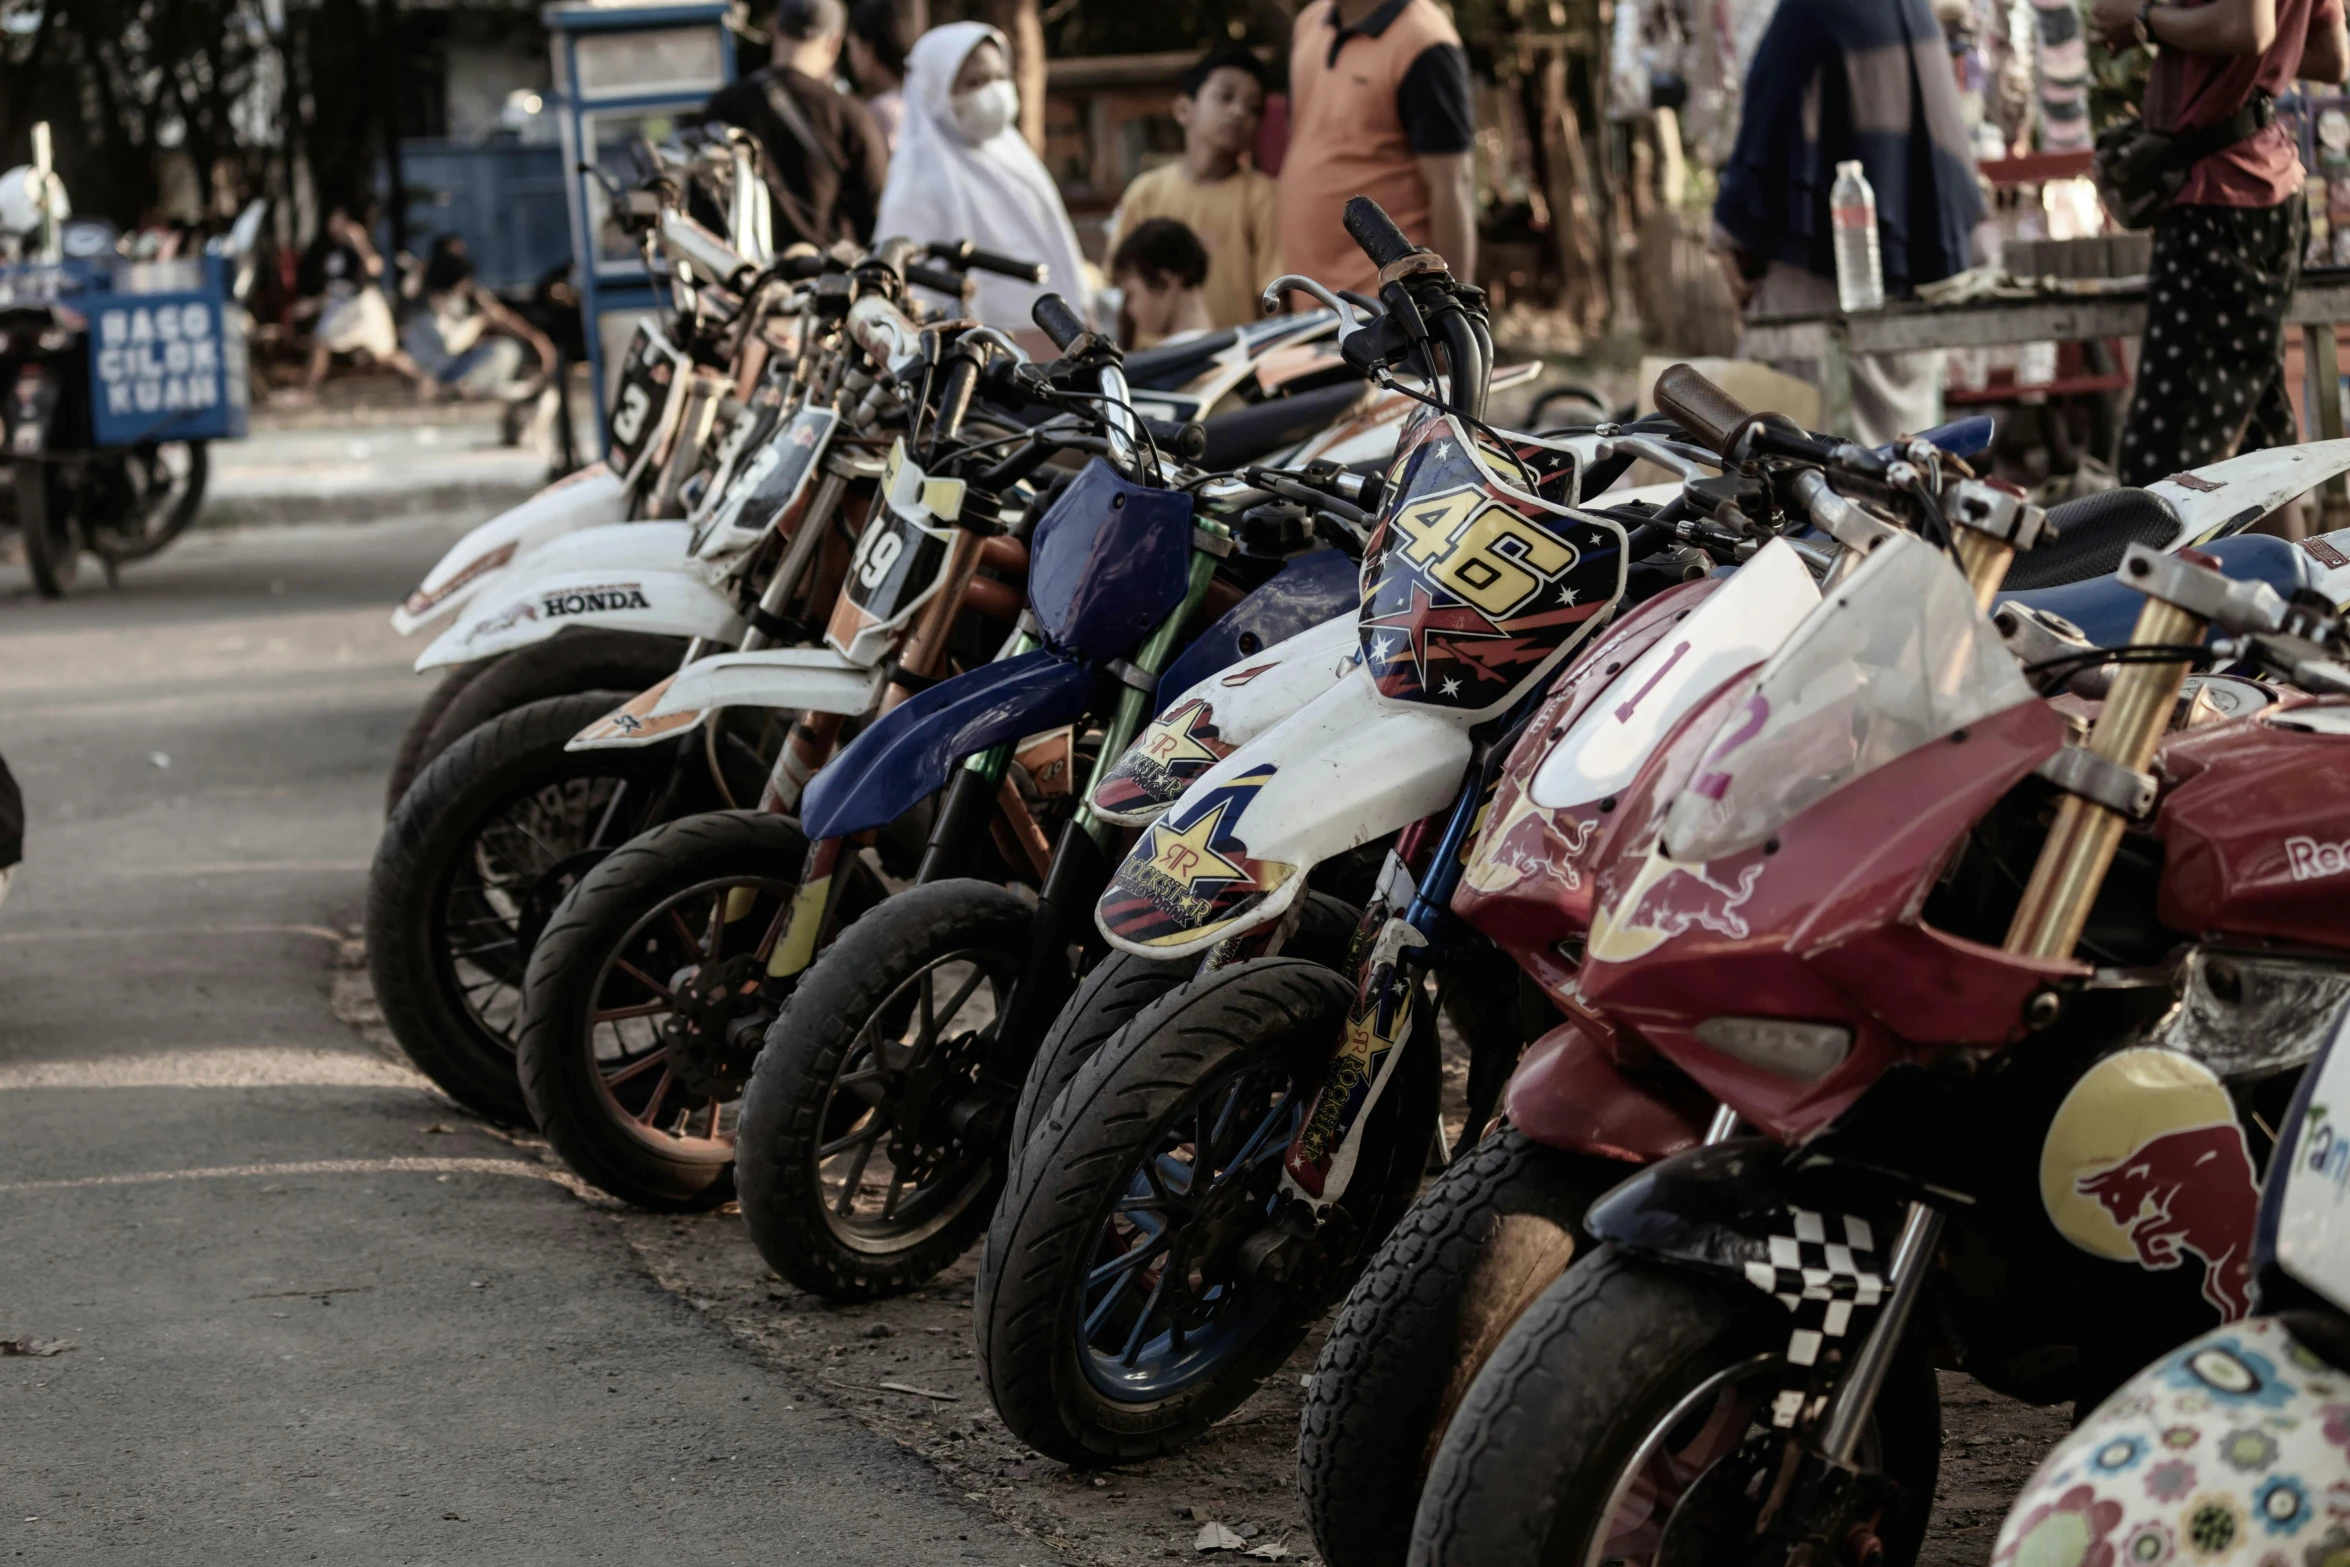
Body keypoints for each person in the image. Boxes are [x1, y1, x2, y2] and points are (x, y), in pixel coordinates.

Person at [2089, 0, 2348, 487]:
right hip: (2256, 190)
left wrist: (2145, 21)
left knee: (2164, 468)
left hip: (2220, 200)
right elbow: (2331, 56)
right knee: (2260, 457)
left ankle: (2168, 564)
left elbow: (2247, 28)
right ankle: (2282, 565)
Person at [1709, 0, 1984, 446]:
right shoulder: (1912, 10)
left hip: (1819, 293)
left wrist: (1732, 245)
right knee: (1903, 473)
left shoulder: (1810, 12)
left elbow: (1764, 149)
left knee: (1811, 473)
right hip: (1907, 299)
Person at [874, 21, 1090, 333]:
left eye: (999, 77)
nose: (993, 91)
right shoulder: (916, 181)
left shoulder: (1013, 151)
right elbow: (912, 295)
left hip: (1057, 334)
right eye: (975, 82)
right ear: (936, 90)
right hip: (981, 358)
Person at [1276, 0, 1478, 297]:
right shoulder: (1311, 22)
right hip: (1311, 296)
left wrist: (1452, 315)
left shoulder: (1423, 42)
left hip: (1388, 307)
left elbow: (1452, 186)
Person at [1105, 45, 1283, 331]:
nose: (1238, 111)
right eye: (1225, 96)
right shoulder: (1145, 193)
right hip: (1154, 362)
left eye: (1254, 108)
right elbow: (1118, 290)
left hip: (1233, 364)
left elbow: (1273, 297)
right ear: (1184, 109)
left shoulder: (1263, 197)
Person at [699, 0, 891, 251]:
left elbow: (702, 204)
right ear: (834, 44)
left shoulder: (724, 105)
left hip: (750, 278)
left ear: (775, 31)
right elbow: (879, 210)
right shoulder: (849, 114)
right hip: (831, 279)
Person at [285, 207, 428, 403]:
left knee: (384, 352)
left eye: (337, 220)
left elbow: (374, 266)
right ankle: (307, 391)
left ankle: (424, 380)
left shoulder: (358, 247)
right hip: (343, 305)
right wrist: (312, 304)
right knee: (321, 342)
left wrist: (360, 240)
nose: (332, 225)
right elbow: (336, 287)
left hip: (362, 305)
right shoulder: (336, 252)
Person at [401, 235, 559, 409]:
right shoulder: (424, 298)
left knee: (506, 349)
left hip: (454, 364)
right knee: (502, 353)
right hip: (433, 369)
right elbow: (450, 344)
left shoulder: (465, 295)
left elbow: (500, 316)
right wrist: (479, 323)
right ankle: (464, 388)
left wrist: (536, 339)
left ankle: (475, 387)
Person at [1111, 218, 1215, 349]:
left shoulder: (1172, 363)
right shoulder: (1230, 353)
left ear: (1165, 281)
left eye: (1131, 295)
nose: (1130, 309)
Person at [846, 1, 909, 152]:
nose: (850, 57)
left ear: (868, 49)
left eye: (851, 47)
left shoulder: (882, 111)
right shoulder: (916, 96)